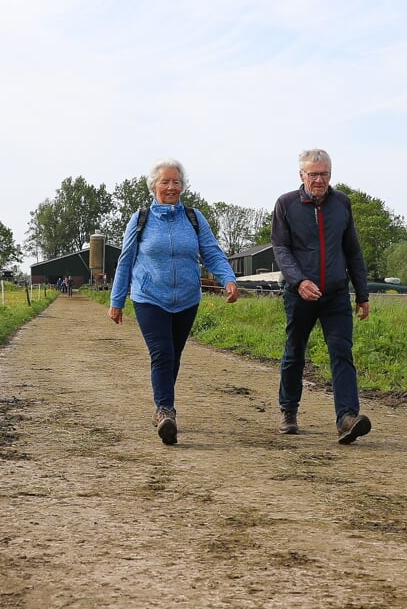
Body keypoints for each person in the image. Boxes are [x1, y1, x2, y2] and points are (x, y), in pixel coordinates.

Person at [108, 158, 239, 444]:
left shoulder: (193, 218)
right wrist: (116, 300)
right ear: (154, 186)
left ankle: (163, 406)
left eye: (176, 182)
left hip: (187, 299)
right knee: (163, 353)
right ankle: (165, 410)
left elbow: (212, 252)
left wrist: (229, 279)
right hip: (149, 297)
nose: (171, 187)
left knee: (174, 355)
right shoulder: (140, 219)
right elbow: (125, 260)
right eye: (165, 182)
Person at [269, 148, 372, 444]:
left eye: (324, 174)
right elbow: (280, 248)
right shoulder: (286, 204)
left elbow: (352, 250)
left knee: (342, 353)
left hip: (336, 294)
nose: (319, 180)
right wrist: (299, 281)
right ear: (301, 175)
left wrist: (362, 294)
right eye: (313, 174)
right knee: (294, 353)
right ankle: (288, 411)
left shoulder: (342, 204)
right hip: (299, 295)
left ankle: (347, 418)